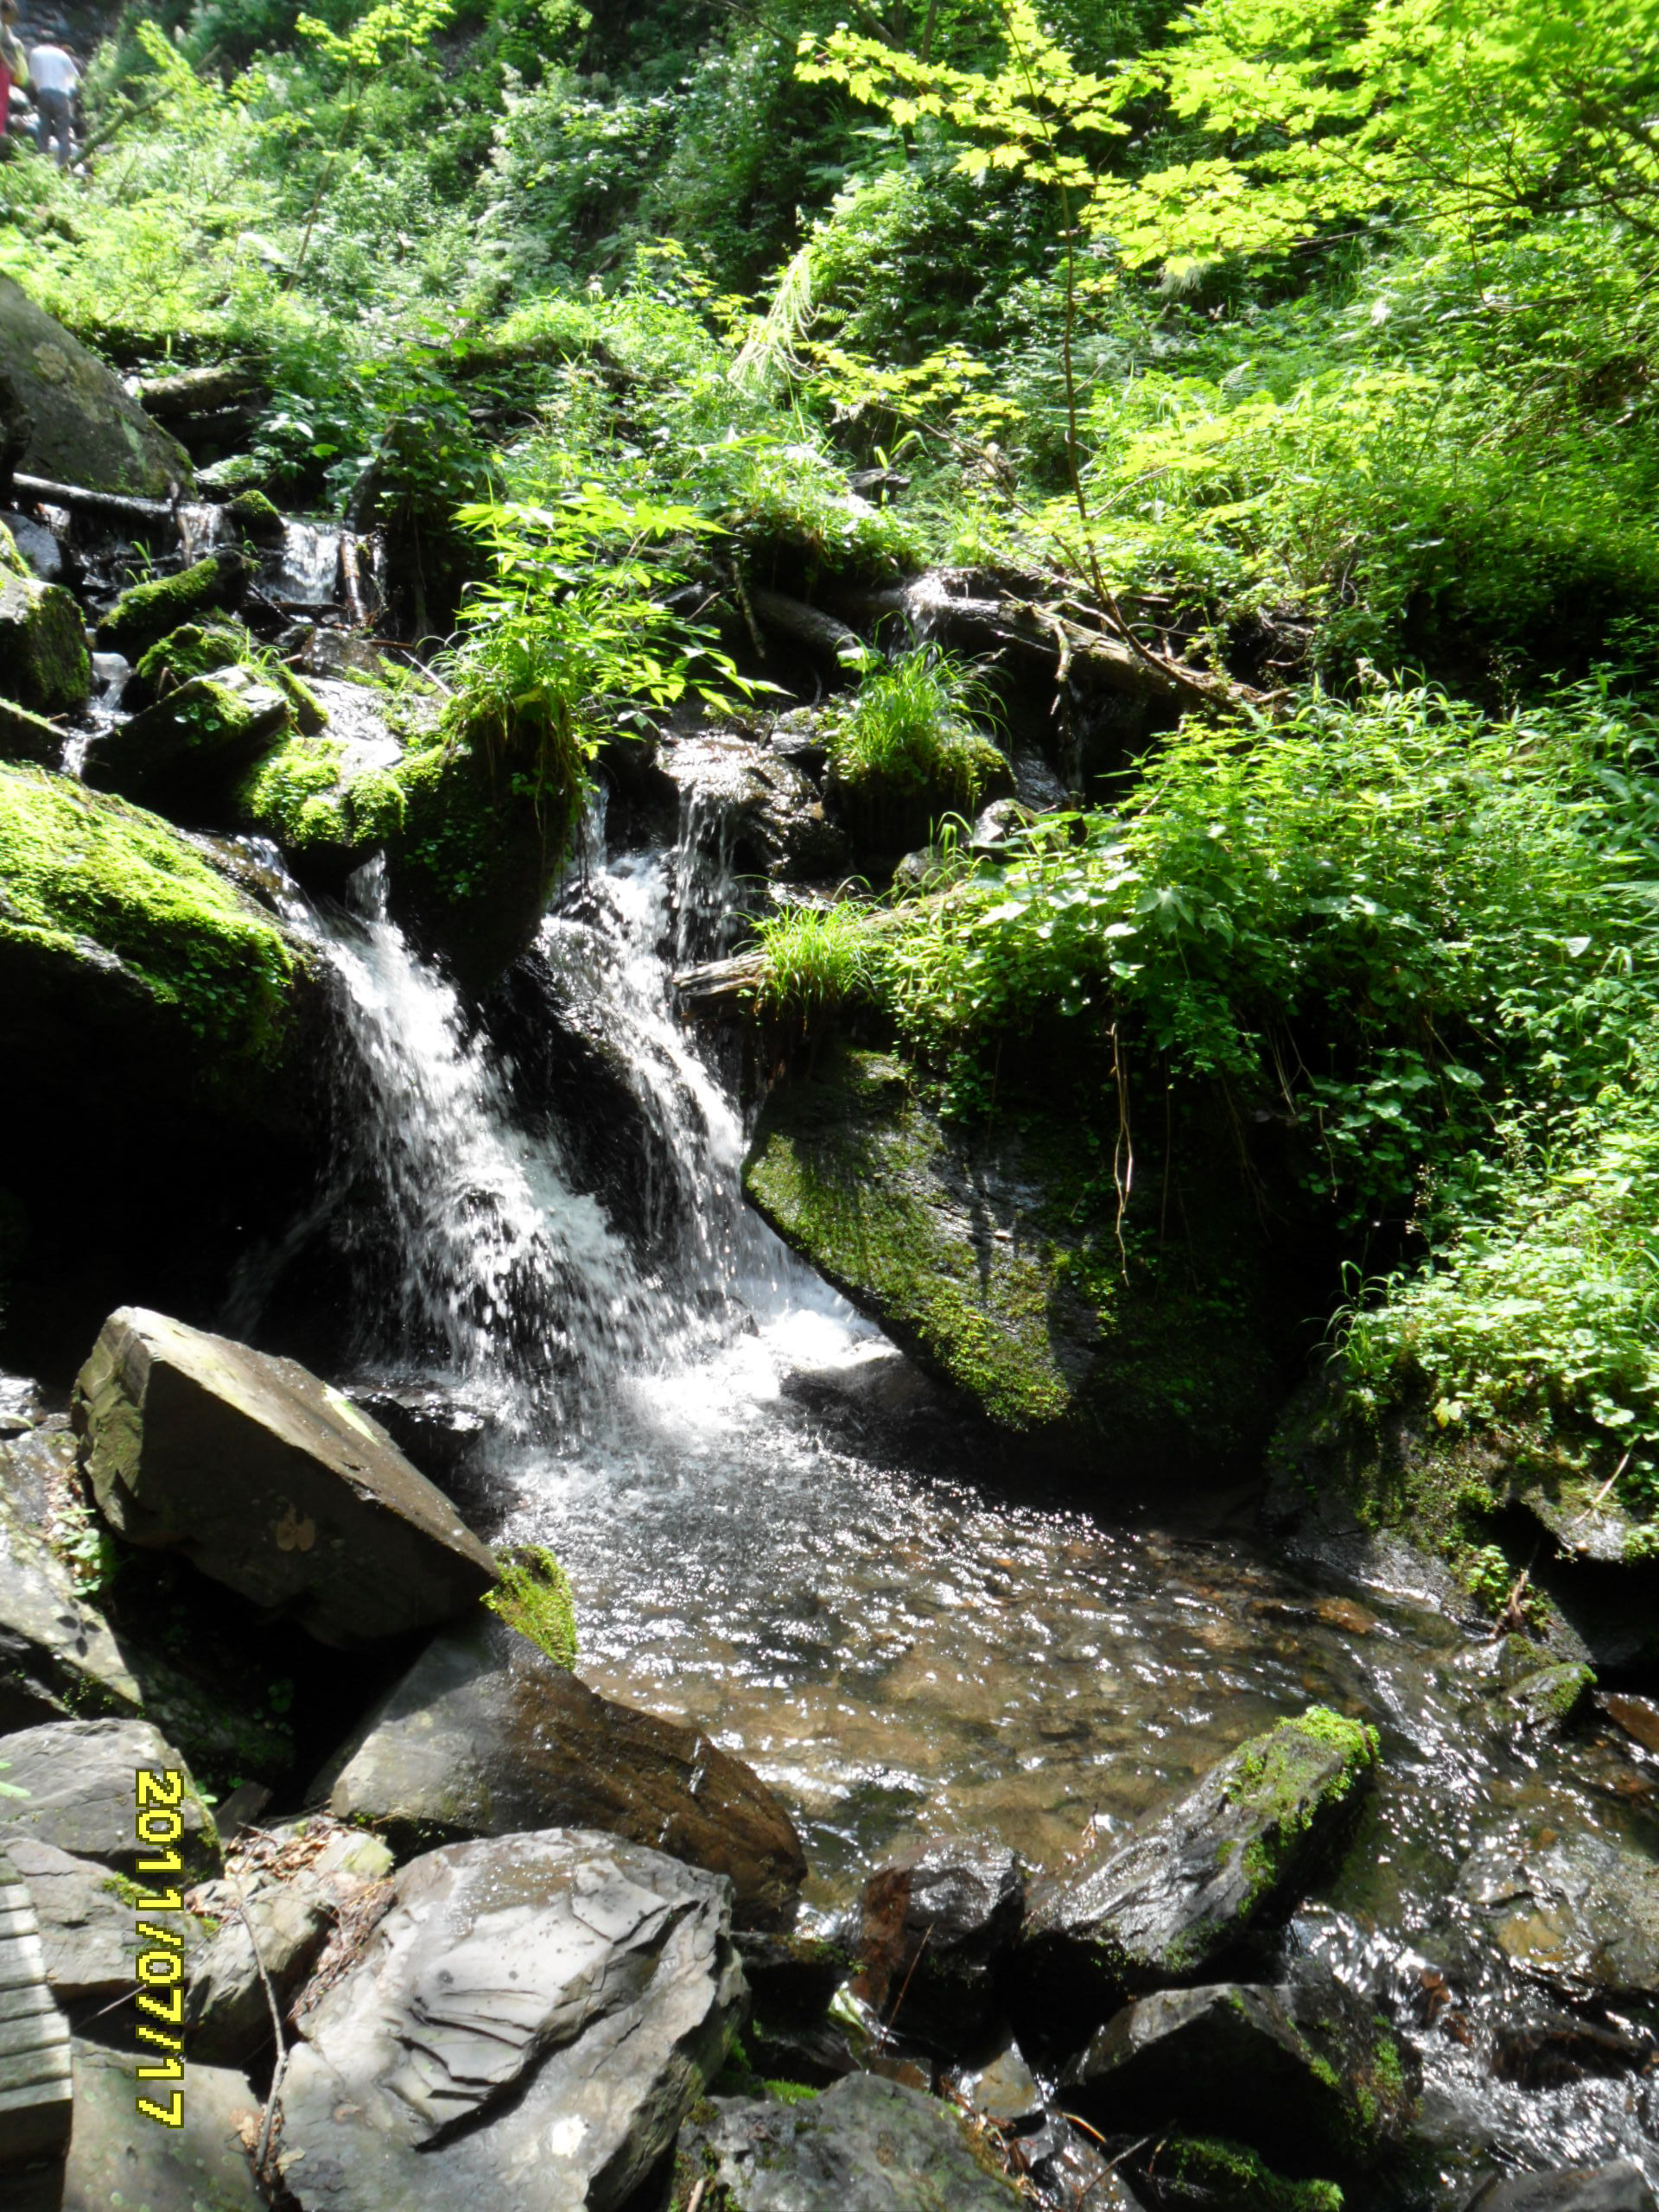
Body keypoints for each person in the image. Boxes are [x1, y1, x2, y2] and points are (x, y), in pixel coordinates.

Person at [28, 36, 77, 168]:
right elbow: (73, 76)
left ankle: (41, 165)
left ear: (40, 41)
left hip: (43, 95)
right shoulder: (62, 54)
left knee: (43, 133)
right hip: (60, 96)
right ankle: (65, 166)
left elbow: (33, 78)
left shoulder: (35, 52)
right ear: (55, 43)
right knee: (63, 135)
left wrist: (40, 90)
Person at [0, 3, 25, 148]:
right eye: (14, 15)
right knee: (1, 99)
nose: (15, 19)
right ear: (6, 13)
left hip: (5, 69)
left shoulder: (5, 27)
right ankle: (0, 131)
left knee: (4, 99)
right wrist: (9, 65)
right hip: (2, 68)